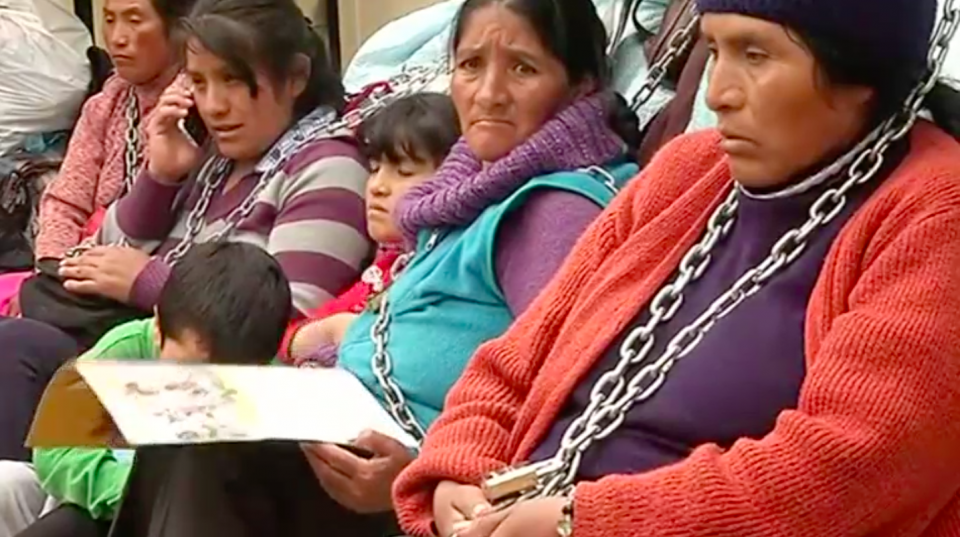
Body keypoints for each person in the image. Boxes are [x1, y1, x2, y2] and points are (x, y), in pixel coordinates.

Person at [392, 0, 960, 536]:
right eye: (713, 51)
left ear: (859, 72)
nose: (719, 93)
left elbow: (852, 466)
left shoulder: (935, 213)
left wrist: (586, 521)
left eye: (755, 55)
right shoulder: (687, 173)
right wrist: (457, 469)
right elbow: (517, 359)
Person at [108, 0, 641, 535]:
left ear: (579, 85)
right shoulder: (464, 195)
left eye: (523, 68)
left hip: (410, 496)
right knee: (162, 411)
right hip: (346, 444)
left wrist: (415, 479)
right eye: (470, 65)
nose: (487, 93)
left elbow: (565, 408)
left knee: (197, 434)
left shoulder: (554, 210)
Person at [0, 0, 369, 461]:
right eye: (199, 81)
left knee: (18, 350)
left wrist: (153, 283)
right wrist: (161, 176)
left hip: (213, 393)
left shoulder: (326, 167)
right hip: (139, 349)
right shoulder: (215, 159)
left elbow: (286, 322)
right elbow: (105, 253)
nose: (213, 105)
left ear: (295, 76)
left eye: (232, 79)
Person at [0, 241, 293, 537]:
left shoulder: (275, 390)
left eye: (223, 383)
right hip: (109, 504)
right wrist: (135, 490)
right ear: (158, 327)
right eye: (186, 373)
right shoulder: (123, 353)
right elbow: (55, 451)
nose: (200, 392)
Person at [0, 0, 199, 316]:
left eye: (134, 20)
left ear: (177, 28)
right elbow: (66, 201)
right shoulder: (107, 103)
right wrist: (52, 271)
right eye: (109, 19)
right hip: (78, 275)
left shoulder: (197, 106)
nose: (117, 37)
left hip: (147, 287)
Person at [282, 92, 460, 365]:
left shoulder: (450, 274)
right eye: (375, 168)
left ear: (454, 177)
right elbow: (288, 340)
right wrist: (331, 329)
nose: (378, 186)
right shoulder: (387, 269)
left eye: (404, 173)